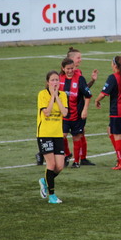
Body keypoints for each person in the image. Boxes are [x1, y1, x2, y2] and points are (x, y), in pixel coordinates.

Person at [95, 56, 121, 170]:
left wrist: (97, 100)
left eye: (112, 63)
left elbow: (103, 93)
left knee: (117, 135)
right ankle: (119, 156)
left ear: (115, 65)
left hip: (117, 111)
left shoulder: (113, 77)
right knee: (110, 130)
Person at [37, 70, 68, 204]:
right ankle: (52, 196)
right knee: (51, 164)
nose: (56, 82)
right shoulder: (42, 94)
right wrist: (52, 97)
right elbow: (47, 112)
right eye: (53, 80)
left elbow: (65, 113)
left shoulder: (63, 95)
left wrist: (57, 96)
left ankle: (45, 180)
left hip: (57, 134)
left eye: (57, 80)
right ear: (48, 82)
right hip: (45, 134)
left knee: (60, 166)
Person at [65, 47, 98, 165]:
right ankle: (67, 154)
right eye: (78, 57)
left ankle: (82, 158)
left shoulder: (78, 73)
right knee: (62, 134)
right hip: (66, 110)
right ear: (71, 59)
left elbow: (83, 89)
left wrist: (92, 81)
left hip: (78, 108)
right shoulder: (64, 73)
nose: (80, 60)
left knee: (81, 132)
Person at [59, 58, 92, 168]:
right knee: (62, 136)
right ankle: (67, 154)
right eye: (68, 69)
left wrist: (85, 109)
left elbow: (88, 95)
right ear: (63, 69)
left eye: (72, 68)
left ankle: (76, 162)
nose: (70, 71)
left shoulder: (80, 79)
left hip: (77, 115)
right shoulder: (59, 79)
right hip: (64, 115)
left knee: (76, 137)